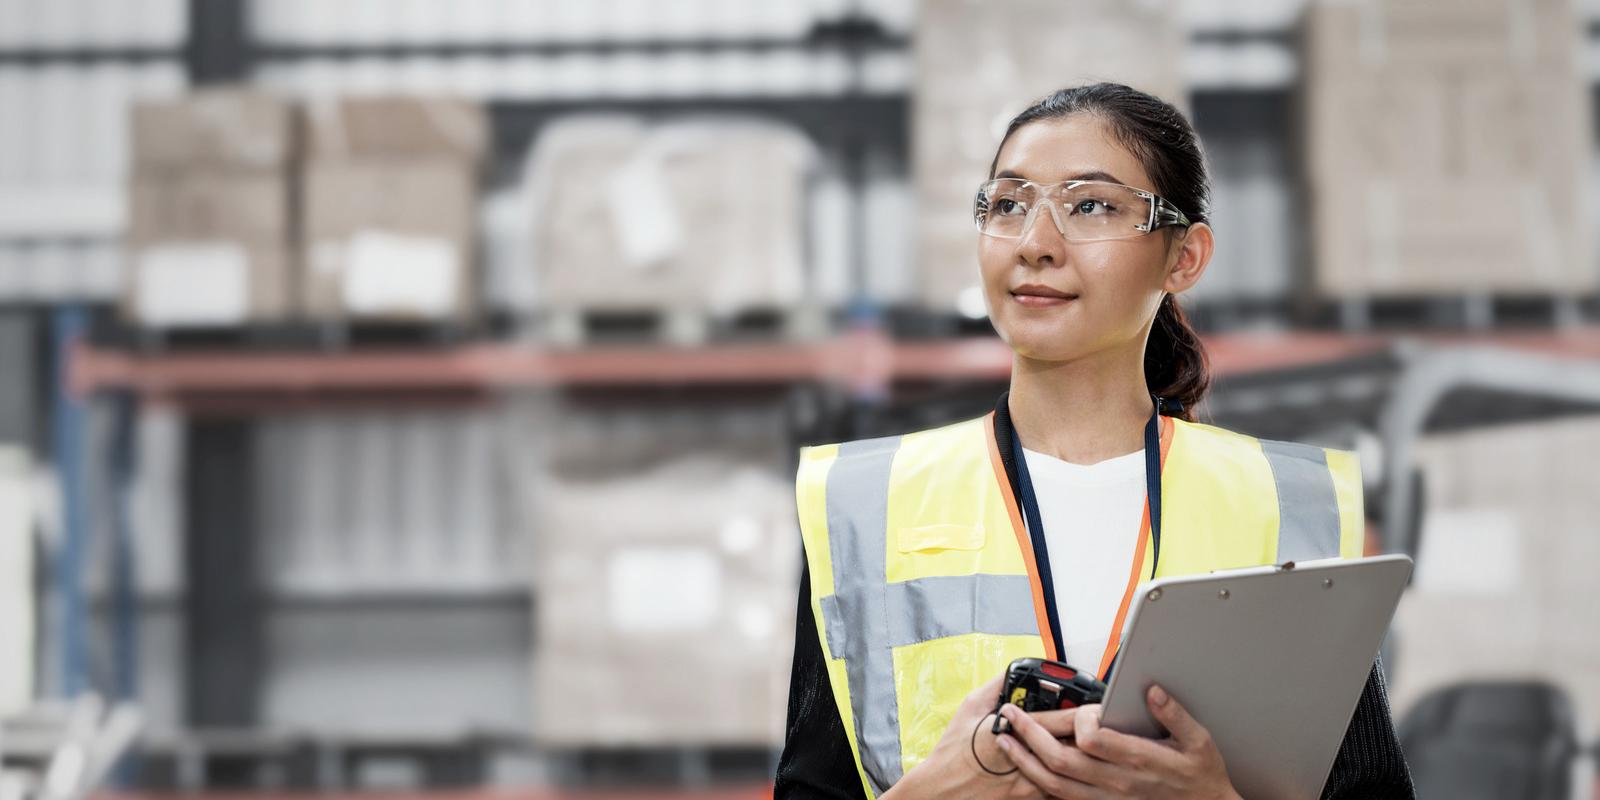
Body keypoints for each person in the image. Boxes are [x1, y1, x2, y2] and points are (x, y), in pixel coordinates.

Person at [774, 83, 1415, 799]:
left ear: (1185, 258)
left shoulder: (1287, 505)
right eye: (1009, 204)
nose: (1036, 244)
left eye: (1091, 206)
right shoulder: (867, 507)